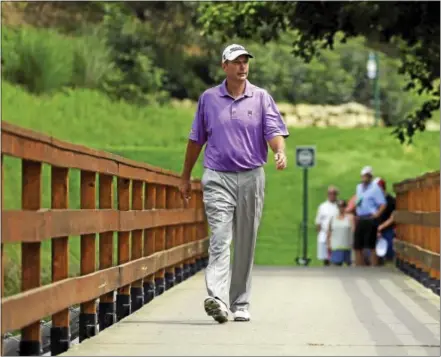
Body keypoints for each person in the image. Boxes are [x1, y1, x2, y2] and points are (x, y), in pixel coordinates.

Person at [179, 44, 289, 324]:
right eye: (236, 61)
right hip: (217, 177)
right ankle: (217, 298)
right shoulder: (208, 99)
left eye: (245, 61)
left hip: (252, 176)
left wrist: (279, 150)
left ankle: (240, 301)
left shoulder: (261, 98)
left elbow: (274, 131)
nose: (242, 66)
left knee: (246, 241)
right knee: (220, 238)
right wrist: (184, 176)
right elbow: (196, 140)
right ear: (224, 66)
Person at [353, 166, 386, 266]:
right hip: (360, 217)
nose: (365, 178)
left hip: (370, 218)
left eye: (367, 176)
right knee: (357, 246)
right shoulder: (359, 187)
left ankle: (373, 269)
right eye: (363, 176)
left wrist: (377, 214)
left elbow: (383, 204)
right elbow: (358, 201)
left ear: (371, 177)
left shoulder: (375, 188)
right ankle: (360, 268)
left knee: (371, 246)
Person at [314, 186, 339, 266]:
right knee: (325, 255)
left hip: (336, 233)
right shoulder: (322, 206)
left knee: (335, 255)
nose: (332, 195)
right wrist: (320, 233)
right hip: (324, 233)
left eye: (334, 193)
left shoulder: (339, 205)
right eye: (330, 193)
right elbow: (318, 222)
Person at [327, 199, 355, 266]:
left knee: (352, 269)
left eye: (342, 206)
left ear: (345, 207)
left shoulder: (350, 217)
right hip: (336, 248)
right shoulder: (332, 218)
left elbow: (353, 231)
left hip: (348, 247)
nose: (341, 208)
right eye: (339, 206)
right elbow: (329, 232)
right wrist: (328, 244)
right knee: (335, 268)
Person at [376, 178, 396, 262]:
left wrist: (381, 227)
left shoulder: (391, 200)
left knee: (388, 249)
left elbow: (393, 217)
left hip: (388, 229)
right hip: (375, 228)